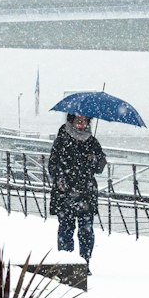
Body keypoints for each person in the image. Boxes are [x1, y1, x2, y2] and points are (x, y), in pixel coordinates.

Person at [47, 113, 107, 268]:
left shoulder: (92, 142)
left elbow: (100, 167)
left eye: (85, 121)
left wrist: (95, 159)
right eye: (78, 121)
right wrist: (60, 177)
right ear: (71, 122)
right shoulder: (61, 140)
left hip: (86, 193)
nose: (81, 124)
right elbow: (52, 165)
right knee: (66, 229)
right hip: (65, 192)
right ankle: (66, 263)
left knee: (86, 231)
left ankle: (84, 262)